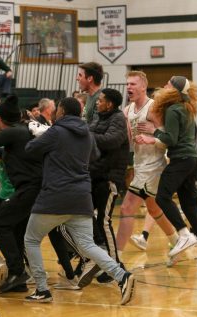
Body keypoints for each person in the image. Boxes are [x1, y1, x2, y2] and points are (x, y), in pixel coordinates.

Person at [23, 97, 136, 305]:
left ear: (62, 112)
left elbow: (30, 150)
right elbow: (94, 156)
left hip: (55, 196)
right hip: (82, 196)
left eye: (58, 109)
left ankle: (41, 289)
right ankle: (122, 276)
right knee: (87, 244)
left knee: (31, 240)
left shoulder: (56, 132)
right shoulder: (88, 134)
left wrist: (39, 135)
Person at [136, 75, 197, 272]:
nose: (164, 86)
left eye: (168, 84)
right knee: (190, 204)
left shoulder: (173, 109)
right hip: (192, 160)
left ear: (174, 90)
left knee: (162, 197)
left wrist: (153, 132)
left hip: (180, 160)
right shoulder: (186, 107)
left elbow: (170, 139)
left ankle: (183, 234)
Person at [115, 71, 179, 267]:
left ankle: (114, 259)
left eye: (133, 84)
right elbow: (127, 142)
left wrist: (152, 138)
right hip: (140, 164)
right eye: (127, 84)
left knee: (126, 207)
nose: (129, 88)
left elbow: (168, 140)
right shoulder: (127, 111)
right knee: (153, 208)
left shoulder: (154, 108)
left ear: (143, 86)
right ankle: (178, 241)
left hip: (154, 165)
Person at [0, 95, 42, 293]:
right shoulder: (17, 135)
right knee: (15, 230)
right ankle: (19, 280)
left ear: (3, 119)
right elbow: (2, 152)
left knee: (0, 224)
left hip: (30, 188)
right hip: (29, 189)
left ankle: (17, 271)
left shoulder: (15, 132)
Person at [80, 88, 129, 288]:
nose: (97, 103)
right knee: (86, 217)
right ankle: (101, 257)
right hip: (94, 176)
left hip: (110, 178)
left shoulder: (117, 118)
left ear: (109, 103)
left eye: (100, 101)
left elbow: (112, 140)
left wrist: (87, 137)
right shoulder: (98, 118)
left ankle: (116, 267)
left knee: (105, 221)